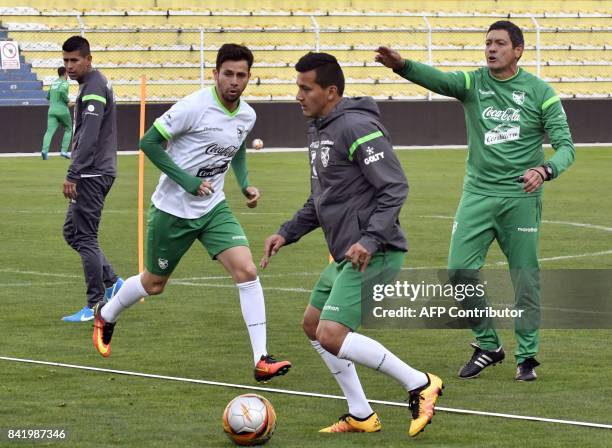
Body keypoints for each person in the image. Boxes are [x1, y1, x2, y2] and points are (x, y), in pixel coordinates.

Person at [376, 20, 575, 381]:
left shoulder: (540, 92)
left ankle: (526, 357)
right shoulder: (473, 83)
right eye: (487, 43)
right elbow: (438, 79)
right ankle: (489, 344)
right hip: (478, 195)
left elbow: (566, 148)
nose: (491, 49)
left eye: (499, 43)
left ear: (518, 50)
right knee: (459, 270)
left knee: (525, 279)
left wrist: (545, 171)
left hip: (520, 197)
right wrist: (402, 66)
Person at [260, 52, 442, 437]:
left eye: (305, 88)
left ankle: (419, 383)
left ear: (330, 91)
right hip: (347, 254)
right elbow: (323, 198)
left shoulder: (356, 126)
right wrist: (286, 232)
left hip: (374, 252)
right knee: (312, 325)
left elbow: (395, 187)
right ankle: (360, 413)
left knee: (331, 333)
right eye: (298, 87)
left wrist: (370, 239)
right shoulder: (319, 128)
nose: (298, 96)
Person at [92, 43, 291, 383]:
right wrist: (186, 181)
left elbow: (238, 147)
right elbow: (148, 143)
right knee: (154, 284)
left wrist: (244, 185)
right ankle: (106, 312)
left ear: (248, 79)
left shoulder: (247, 115)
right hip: (173, 210)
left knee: (246, 271)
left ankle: (261, 358)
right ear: (215, 74)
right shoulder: (193, 107)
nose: (234, 81)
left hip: (214, 208)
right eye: (227, 74)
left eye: (241, 75)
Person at [61, 36, 123, 322]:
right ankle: (113, 283)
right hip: (94, 170)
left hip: (91, 172)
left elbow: (90, 134)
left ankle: (95, 305)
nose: (70, 66)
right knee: (72, 233)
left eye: (75, 60)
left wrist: (74, 172)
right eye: (66, 61)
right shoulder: (92, 84)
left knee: (85, 236)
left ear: (89, 59)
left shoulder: (95, 86)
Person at [41, 66, 72, 160]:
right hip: (62, 110)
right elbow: (62, 91)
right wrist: (67, 101)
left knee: (49, 131)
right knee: (68, 129)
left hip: (52, 110)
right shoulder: (65, 83)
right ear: (65, 73)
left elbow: (48, 97)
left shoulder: (53, 83)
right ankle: (64, 151)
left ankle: (44, 151)